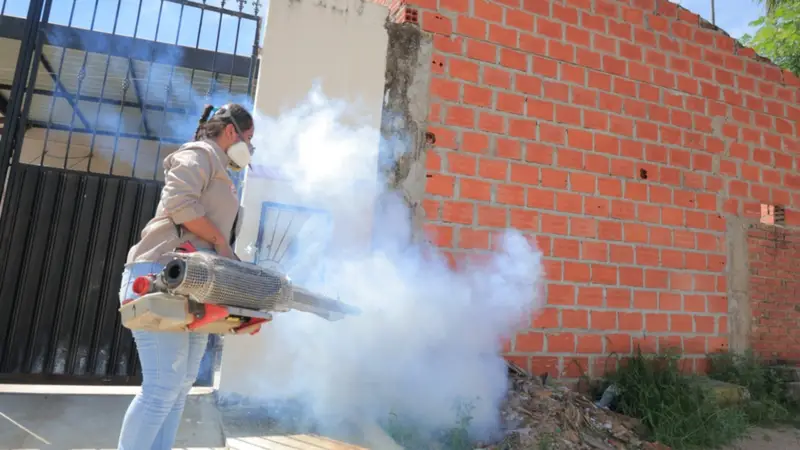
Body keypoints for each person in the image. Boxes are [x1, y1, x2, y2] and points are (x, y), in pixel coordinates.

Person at [117, 103, 257, 450]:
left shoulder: (221, 170)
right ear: (231, 132)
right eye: (248, 137)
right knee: (163, 386)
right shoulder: (199, 154)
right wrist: (221, 242)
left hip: (194, 286)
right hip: (160, 275)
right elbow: (179, 204)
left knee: (179, 386)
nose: (250, 147)